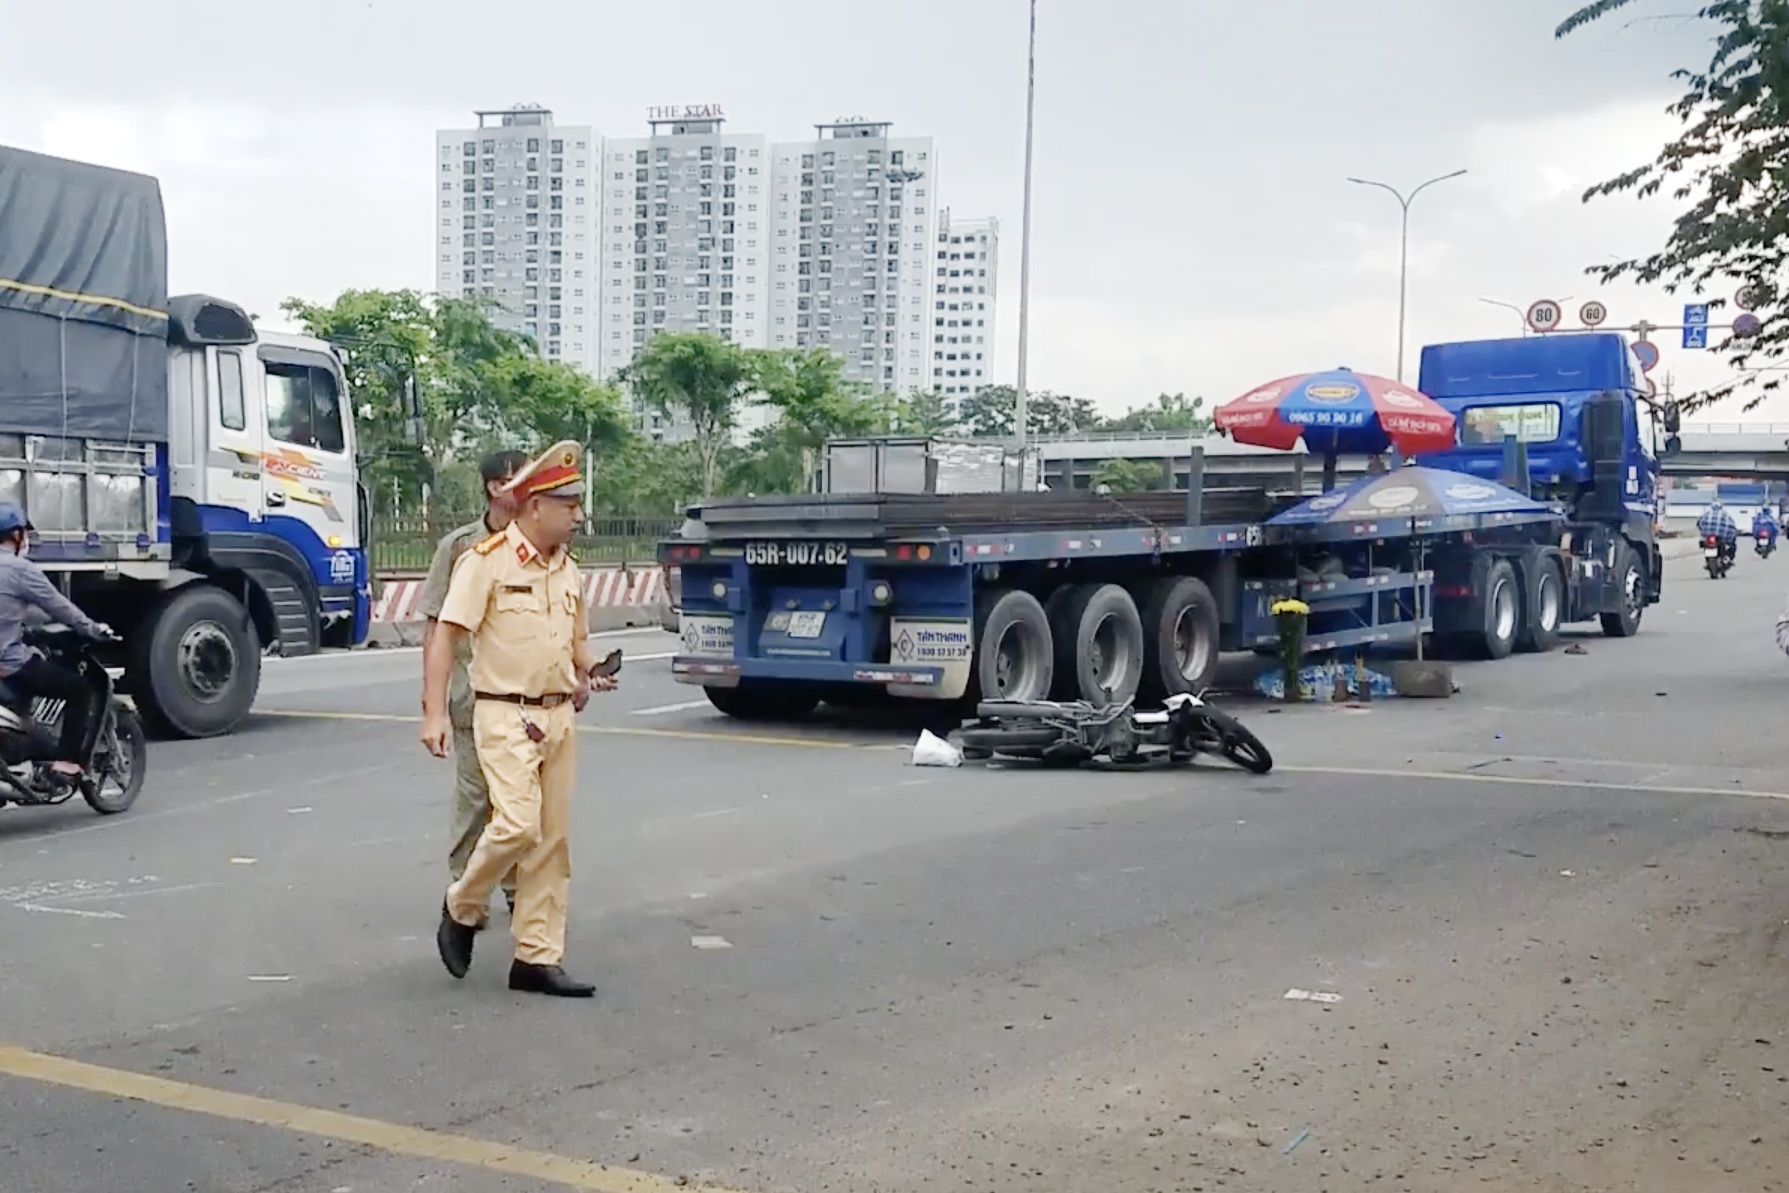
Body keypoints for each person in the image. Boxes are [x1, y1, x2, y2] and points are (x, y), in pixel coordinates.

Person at [421, 441, 617, 998]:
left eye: (578, 504)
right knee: (518, 824)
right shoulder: (484, 562)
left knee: (551, 843)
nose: (577, 515)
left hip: (558, 715)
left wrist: (591, 670)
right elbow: (444, 637)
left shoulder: (570, 572)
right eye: (567, 504)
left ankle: (535, 957)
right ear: (534, 506)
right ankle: (462, 905)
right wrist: (433, 712)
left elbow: (576, 643)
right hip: (503, 713)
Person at [417, 449, 530, 929]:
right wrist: (432, 708)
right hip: (474, 697)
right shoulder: (460, 548)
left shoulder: (540, 545)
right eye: (514, 481)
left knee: (522, 804)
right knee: (476, 798)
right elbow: (435, 630)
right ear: (493, 487)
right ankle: (465, 891)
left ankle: (519, 889)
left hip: (529, 698)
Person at [0, 504, 112, 775]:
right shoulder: (20, 569)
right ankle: (68, 763)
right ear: (16, 535)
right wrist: (93, 629)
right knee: (79, 690)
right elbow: (58, 607)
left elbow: (29, 612)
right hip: (9, 663)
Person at [1697, 498, 1739, 568]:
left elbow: (1698, 523)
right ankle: (1727, 559)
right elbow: (1731, 526)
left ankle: (1708, 561)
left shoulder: (1706, 514)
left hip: (1708, 536)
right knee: (1732, 546)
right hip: (1720, 537)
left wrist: (1703, 531)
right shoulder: (1725, 515)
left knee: (1704, 544)